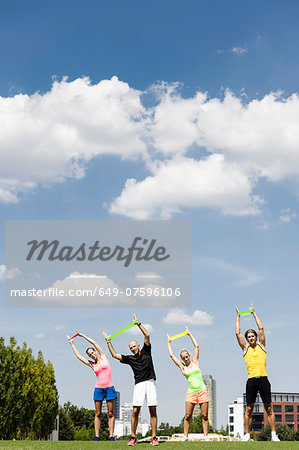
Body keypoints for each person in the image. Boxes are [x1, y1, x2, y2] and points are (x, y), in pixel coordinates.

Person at [103, 314, 159, 446]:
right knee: (135, 411)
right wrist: (108, 341)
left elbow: (147, 335)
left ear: (138, 345)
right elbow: (114, 355)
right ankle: (133, 437)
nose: (133, 348)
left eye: (134, 346)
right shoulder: (130, 359)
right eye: (130, 347)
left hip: (150, 382)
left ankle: (154, 437)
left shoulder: (146, 351)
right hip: (139, 385)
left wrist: (138, 324)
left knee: (152, 410)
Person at [235, 302, 280, 442]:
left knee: (269, 408)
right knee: (249, 409)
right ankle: (247, 435)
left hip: (264, 379)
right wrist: (238, 317)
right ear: (247, 339)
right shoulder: (245, 349)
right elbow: (237, 333)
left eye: (252, 335)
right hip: (251, 380)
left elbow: (261, 328)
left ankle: (274, 435)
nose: (251, 338)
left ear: (255, 337)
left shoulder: (262, 345)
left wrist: (253, 313)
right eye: (248, 336)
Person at [67, 330, 117, 441]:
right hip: (98, 389)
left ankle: (111, 436)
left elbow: (94, 342)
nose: (92, 355)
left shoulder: (103, 357)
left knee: (110, 413)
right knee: (98, 413)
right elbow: (79, 356)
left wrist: (82, 335)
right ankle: (97, 436)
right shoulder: (92, 364)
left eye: (92, 352)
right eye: (90, 355)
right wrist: (72, 344)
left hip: (109, 388)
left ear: (95, 351)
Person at [167, 327, 210, 442]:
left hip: (202, 391)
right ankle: (185, 436)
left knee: (205, 416)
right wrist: (169, 343)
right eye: (183, 357)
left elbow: (197, 346)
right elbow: (172, 356)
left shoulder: (195, 362)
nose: (185, 358)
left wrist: (189, 334)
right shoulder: (182, 367)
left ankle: (206, 436)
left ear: (189, 356)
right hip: (191, 393)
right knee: (187, 416)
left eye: (187, 356)